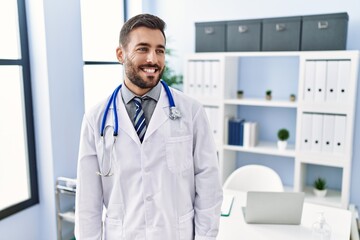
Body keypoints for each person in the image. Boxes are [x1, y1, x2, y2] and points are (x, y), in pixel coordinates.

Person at [75, 13, 223, 240]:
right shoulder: (96, 119)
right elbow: (87, 201)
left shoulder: (191, 111)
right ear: (120, 54)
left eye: (160, 50)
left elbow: (209, 185)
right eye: (143, 49)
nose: (153, 59)